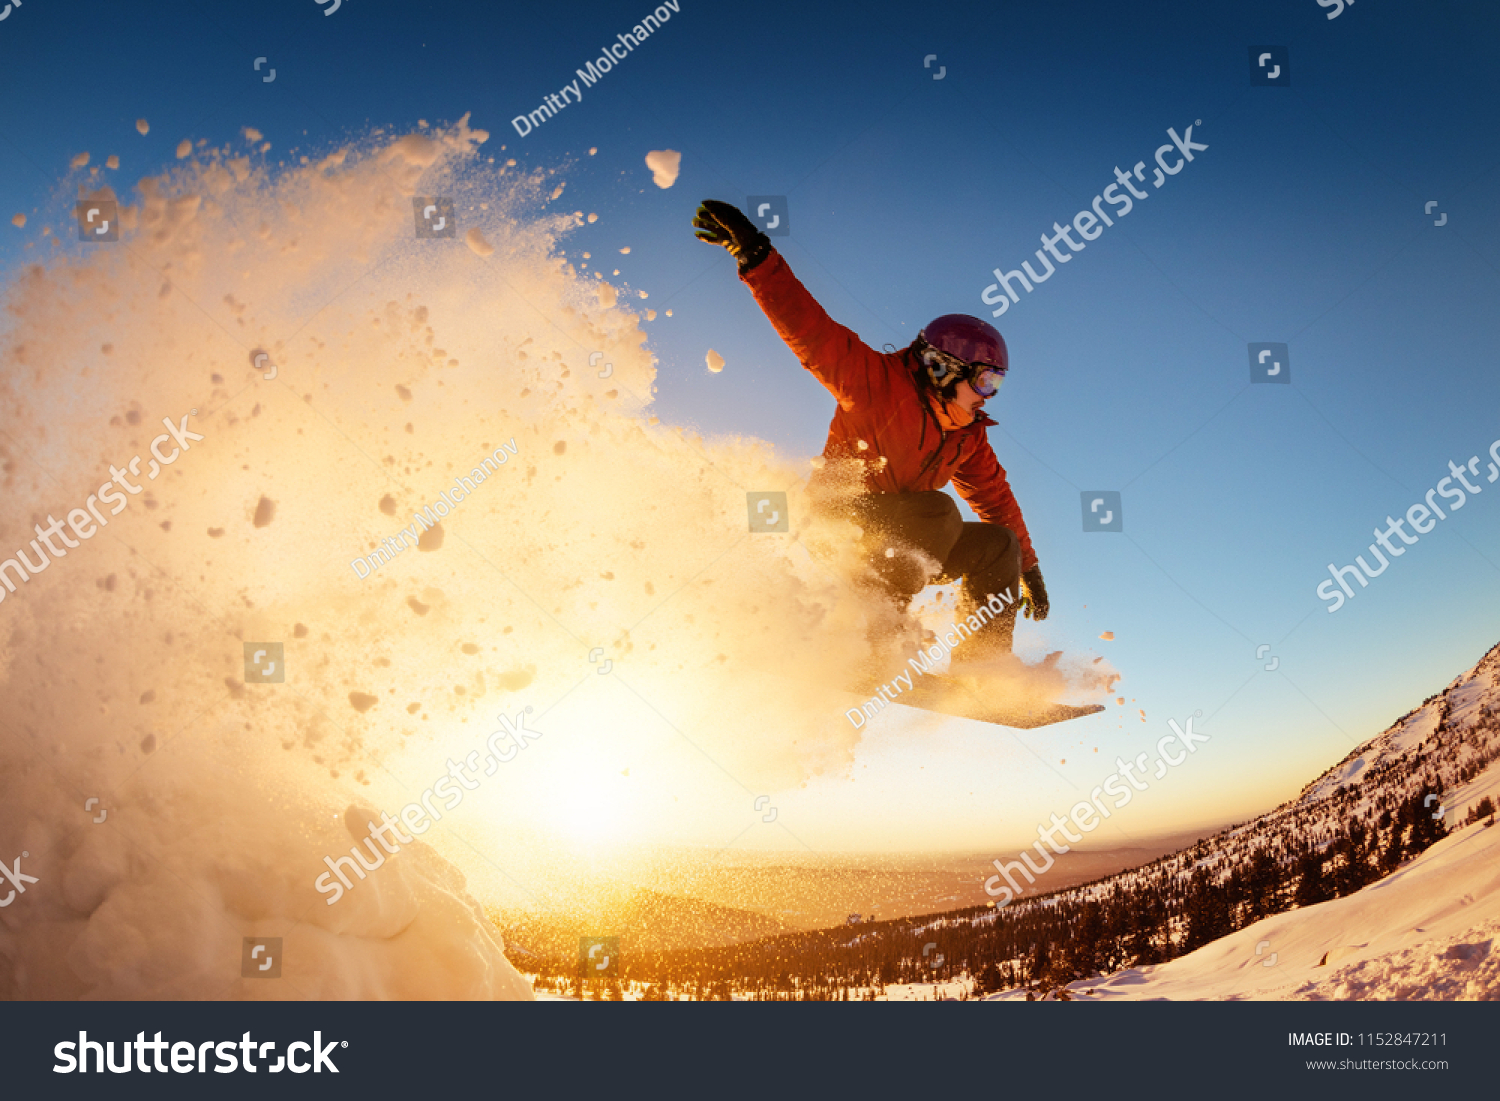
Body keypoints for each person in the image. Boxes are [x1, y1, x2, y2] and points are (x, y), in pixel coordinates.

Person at [692, 200, 1050, 664]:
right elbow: (809, 329)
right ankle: (870, 634)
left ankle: (984, 669)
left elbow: (995, 498)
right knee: (938, 512)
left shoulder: (968, 436)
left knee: (997, 545)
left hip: (905, 538)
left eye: (996, 383)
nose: (989, 394)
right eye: (985, 380)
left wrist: (1029, 566)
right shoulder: (873, 382)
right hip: (840, 524)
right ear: (944, 369)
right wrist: (757, 258)